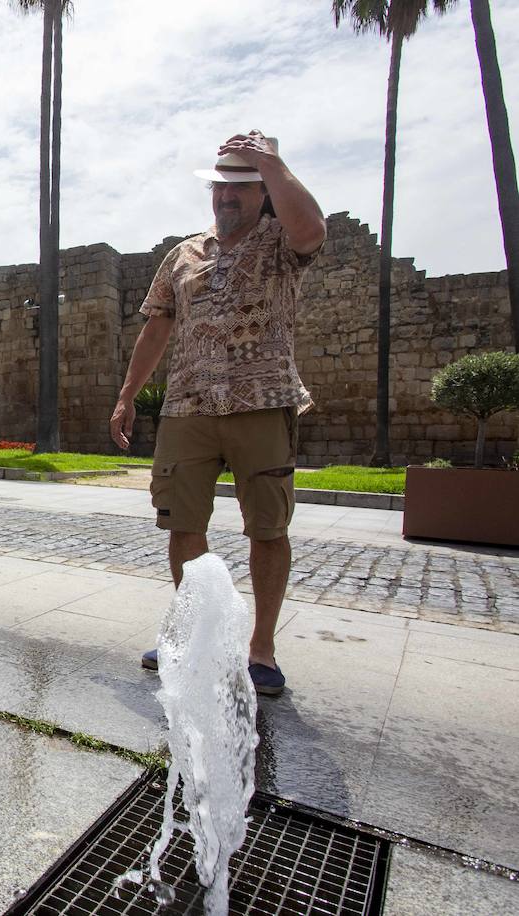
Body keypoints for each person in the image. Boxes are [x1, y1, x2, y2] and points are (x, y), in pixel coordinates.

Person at [109, 131, 325, 698]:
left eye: (241, 187)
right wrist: (129, 393)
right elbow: (157, 325)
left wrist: (273, 163)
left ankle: (262, 649)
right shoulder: (185, 255)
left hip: (262, 401)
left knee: (268, 528)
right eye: (221, 188)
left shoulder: (282, 241)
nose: (227, 198)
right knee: (183, 524)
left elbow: (314, 230)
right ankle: (190, 638)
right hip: (188, 406)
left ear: (263, 192)